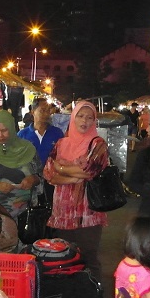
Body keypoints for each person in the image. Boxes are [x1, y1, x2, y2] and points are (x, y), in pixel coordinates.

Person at [43, 100, 110, 283]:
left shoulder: (98, 144)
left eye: (89, 117)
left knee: (88, 256)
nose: (84, 121)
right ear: (72, 118)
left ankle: (93, 295)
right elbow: (49, 173)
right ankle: (68, 294)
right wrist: (72, 177)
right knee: (64, 255)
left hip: (88, 212)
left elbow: (90, 170)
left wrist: (61, 167)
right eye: (80, 116)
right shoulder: (62, 143)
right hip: (62, 212)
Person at [18, 98, 65, 164]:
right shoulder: (22, 135)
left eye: (48, 111)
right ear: (33, 112)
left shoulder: (57, 133)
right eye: (42, 111)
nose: (46, 114)